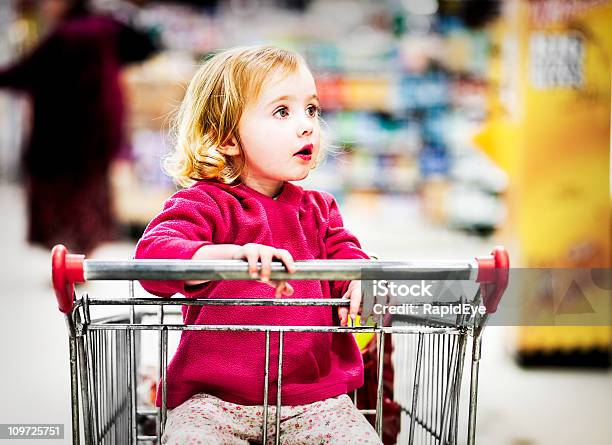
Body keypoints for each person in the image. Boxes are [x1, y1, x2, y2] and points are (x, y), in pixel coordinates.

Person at [135, 46, 382, 444]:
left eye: (312, 110)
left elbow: (346, 255)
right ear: (226, 138)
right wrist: (226, 257)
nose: (307, 127)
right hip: (213, 401)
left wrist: (358, 278)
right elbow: (154, 255)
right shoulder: (204, 203)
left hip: (315, 399)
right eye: (282, 112)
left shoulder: (319, 210)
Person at [0, 0, 156, 254]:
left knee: (67, 199)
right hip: (100, 127)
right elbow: (146, 46)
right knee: (89, 193)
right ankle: (80, 257)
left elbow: (26, 72)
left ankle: (70, 261)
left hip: (65, 131)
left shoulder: (68, 35)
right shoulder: (106, 27)